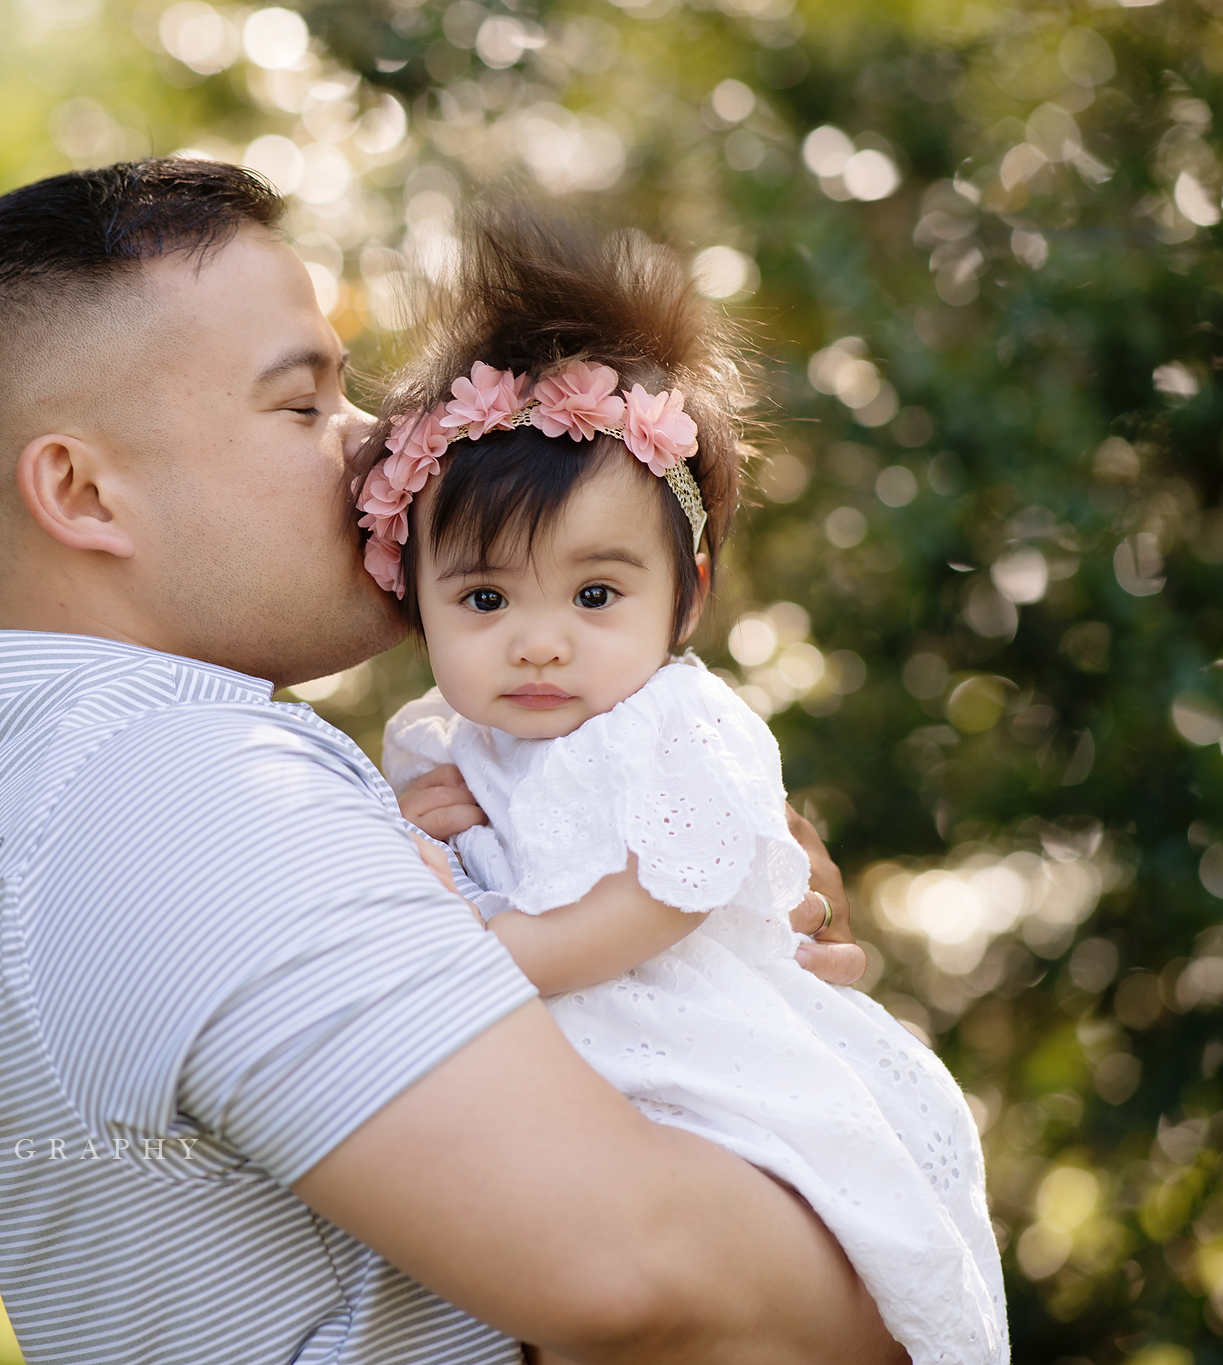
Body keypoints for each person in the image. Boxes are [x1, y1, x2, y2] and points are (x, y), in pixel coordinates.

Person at [0, 156, 899, 1364]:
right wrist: (896, 1249)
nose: (377, 451)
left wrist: (731, 979)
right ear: (84, 491)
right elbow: (631, 1270)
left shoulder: (32, 791)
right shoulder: (180, 790)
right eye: (302, 405)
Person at [365, 206, 1008, 1365]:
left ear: (687, 596)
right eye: (483, 600)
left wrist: (484, 953)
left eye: (594, 595)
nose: (539, 642)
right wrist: (418, 844)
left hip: (712, 1068)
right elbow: (418, 865)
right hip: (569, 1099)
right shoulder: (435, 748)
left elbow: (666, 895)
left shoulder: (678, 724)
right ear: (417, 602)